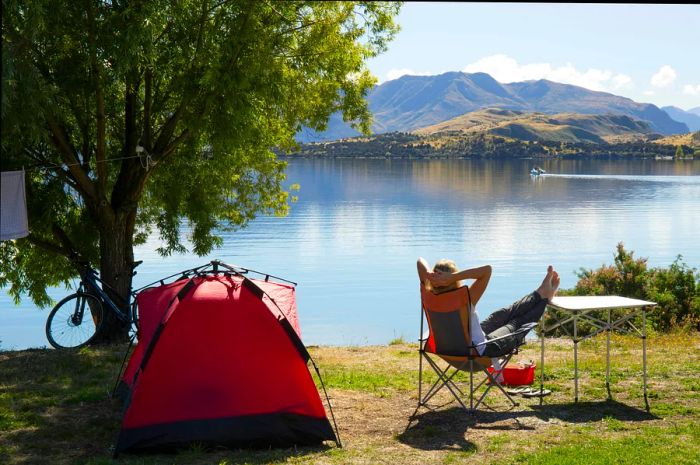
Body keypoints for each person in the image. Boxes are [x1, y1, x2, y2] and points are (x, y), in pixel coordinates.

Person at [417, 257, 560, 377]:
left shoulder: (429, 296)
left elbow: (419, 261)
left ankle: (541, 292)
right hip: (479, 355)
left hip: (449, 351)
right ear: (454, 282)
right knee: (516, 323)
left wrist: (429, 276)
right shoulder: (464, 298)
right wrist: (453, 277)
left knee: (503, 313)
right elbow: (487, 270)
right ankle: (545, 298)